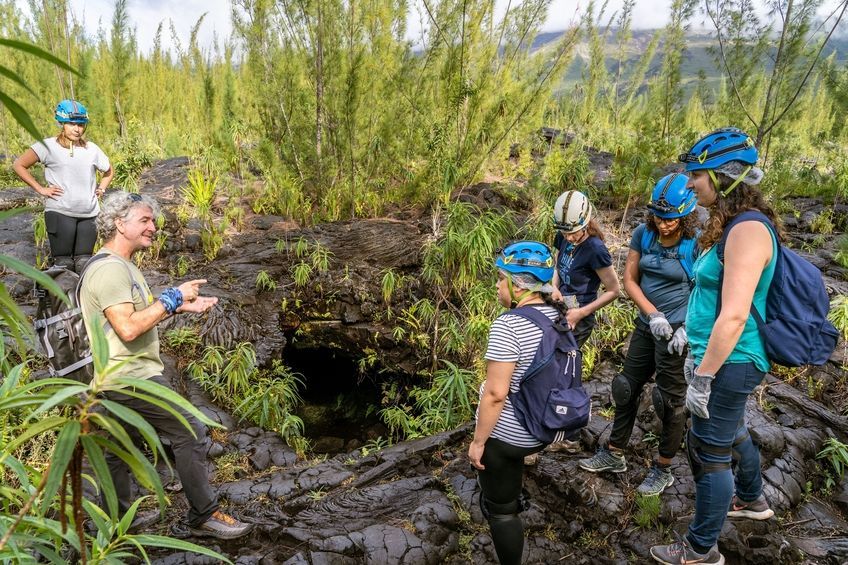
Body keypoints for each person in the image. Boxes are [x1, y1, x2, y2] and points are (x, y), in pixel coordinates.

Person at [79, 190, 253, 540]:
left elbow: (131, 317)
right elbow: (128, 328)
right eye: (144, 220)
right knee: (191, 432)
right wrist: (171, 297)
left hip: (111, 378)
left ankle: (115, 527)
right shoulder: (110, 270)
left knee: (117, 450)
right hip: (130, 377)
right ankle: (203, 515)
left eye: (152, 220)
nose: (153, 227)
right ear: (118, 223)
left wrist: (177, 307)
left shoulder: (121, 266)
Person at [650, 128, 777, 565]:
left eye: (696, 174)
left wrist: (703, 375)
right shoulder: (731, 226)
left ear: (724, 176)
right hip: (720, 357)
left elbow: (736, 315)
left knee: (708, 450)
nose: (688, 183)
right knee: (729, 429)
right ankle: (753, 499)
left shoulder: (747, 232)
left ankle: (700, 549)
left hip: (732, 359)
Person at [578, 173, 700, 496]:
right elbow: (629, 281)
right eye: (659, 217)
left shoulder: (697, 243)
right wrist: (652, 313)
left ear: (686, 215)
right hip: (649, 325)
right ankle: (614, 453)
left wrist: (687, 328)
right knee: (625, 386)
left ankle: (663, 467)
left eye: (671, 219)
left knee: (669, 402)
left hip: (677, 335)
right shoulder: (642, 235)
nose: (663, 225)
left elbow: (707, 292)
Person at [468, 241, 569, 565]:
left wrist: (478, 443)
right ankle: (514, 481)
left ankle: (505, 506)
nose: (498, 285)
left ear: (518, 283)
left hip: (514, 436)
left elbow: (496, 395)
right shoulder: (559, 316)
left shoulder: (508, 325)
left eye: (501, 278)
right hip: (550, 426)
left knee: (500, 510)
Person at [13, 99, 114, 273]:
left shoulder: (92, 149)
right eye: (72, 124)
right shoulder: (47, 146)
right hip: (60, 213)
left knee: (85, 264)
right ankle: (62, 300)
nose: (77, 129)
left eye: (81, 124)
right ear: (62, 123)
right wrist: (40, 189)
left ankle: (82, 300)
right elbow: (19, 165)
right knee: (64, 265)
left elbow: (109, 171)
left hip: (89, 214)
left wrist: (102, 188)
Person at [551, 190, 620, 347]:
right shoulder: (562, 235)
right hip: (560, 306)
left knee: (562, 361)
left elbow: (614, 291)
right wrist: (554, 286)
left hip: (579, 315)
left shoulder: (595, 249)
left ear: (585, 223)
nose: (568, 238)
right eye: (565, 232)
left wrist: (581, 313)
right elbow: (558, 264)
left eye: (573, 233)